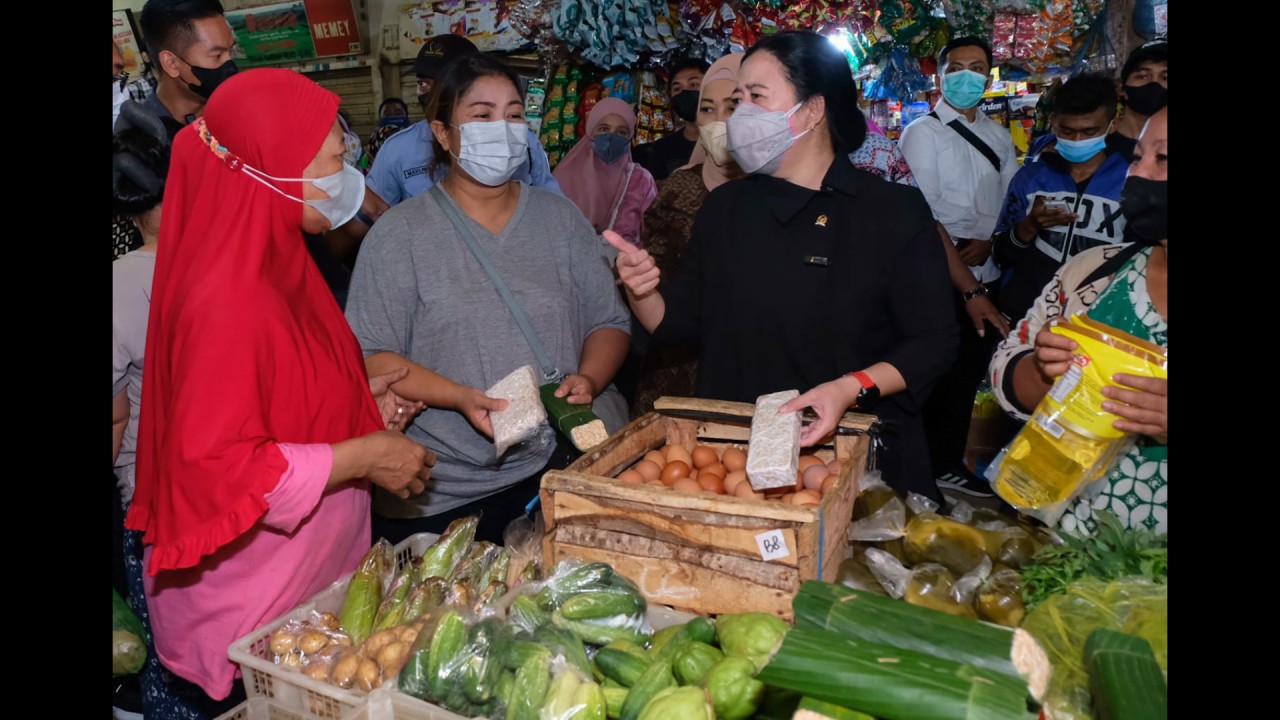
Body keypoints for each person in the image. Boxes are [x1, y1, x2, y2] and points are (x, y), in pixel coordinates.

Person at [124, 68, 434, 716]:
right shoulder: (227, 298)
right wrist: (364, 457)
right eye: (330, 161)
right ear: (265, 170)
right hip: (253, 614)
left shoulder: (278, 261)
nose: (346, 175)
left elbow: (277, 398)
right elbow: (223, 463)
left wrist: (360, 409)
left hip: (309, 589)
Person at [611, 31, 958, 503]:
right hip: (737, 454)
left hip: (849, 454)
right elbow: (677, 327)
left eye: (756, 97)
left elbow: (934, 341)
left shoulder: (889, 211)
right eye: (739, 100)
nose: (740, 115)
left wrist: (847, 389)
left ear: (812, 110)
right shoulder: (726, 207)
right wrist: (642, 289)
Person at [345, 54, 632, 546]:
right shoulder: (399, 235)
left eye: (515, 114)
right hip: (443, 488)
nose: (502, 128)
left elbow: (608, 319)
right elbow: (371, 355)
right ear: (442, 132)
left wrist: (591, 378)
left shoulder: (559, 220)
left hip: (556, 467)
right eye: (481, 115)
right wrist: (458, 397)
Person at [989, 107, 1167, 535]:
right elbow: (1005, 369)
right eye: (1138, 156)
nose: (1135, 174)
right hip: (1063, 552)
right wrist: (1043, 371)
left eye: (1163, 159)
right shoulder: (1093, 272)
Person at [898, 36, 1018, 499]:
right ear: (940, 75)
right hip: (936, 274)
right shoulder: (922, 133)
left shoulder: (999, 135)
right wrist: (963, 247)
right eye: (957, 66)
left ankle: (946, 462)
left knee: (966, 374)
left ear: (988, 75)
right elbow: (922, 210)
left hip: (985, 272)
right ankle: (915, 467)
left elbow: (1010, 198)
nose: (967, 75)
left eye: (977, 67)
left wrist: (988, 241)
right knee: (930, 371)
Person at [627, 52, 745, 417]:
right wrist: (638, 282)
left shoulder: (783, 192)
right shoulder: (679, 189)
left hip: (756, 367)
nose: (719, 122)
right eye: (707, 110)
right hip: (680, 366)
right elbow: (658, 289)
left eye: (734, 106)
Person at [111, 105, 169, 720]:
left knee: (168, 651)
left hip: (153, 501)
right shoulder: (234, 268)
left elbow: (115, 418)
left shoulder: (119, 284)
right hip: (249, 486)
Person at [991, 73, 1131, 329]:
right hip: (1029, 317)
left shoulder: (1132, 180)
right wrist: (1028, 227)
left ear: (1113, 125)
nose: (1077, 140)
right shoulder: (1030, 178)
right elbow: (1000, 253)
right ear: (1053, 122)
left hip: (1102, 323)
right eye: (1067, 131)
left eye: (1089, 131)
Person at [365, 34, 562, 209]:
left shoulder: (520, 140)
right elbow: (373, 215)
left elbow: (553, 209)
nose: (430, 94)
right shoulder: (397, 149)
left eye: (443, 81)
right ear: (441, 133)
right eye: (423, 83)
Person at [1027, 39, 1167, 164]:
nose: (1154, 84)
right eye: (1142, 76)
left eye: (1166, 77)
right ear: (1121, 88)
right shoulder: (1085, 147)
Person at [114, 0, 237, 140]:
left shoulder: (241, 111)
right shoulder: (146, 141)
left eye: (231, 51)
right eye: (217, 55)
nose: (230, 65)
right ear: (171, 63)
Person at [553, 97, 658, 249]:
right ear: (590, 132)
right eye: (603, 129)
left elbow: (653, 234)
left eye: (621, 132)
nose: (611, 137)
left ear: (630, 137)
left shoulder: (641, 180)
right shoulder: (564, 177)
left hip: (626, 268)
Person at [631, 57, 708, 181]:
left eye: (693, 84)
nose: (685, 92)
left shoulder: (727, 142)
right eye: (677, 89)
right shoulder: (661, 150)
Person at [366, 97, 412, 161]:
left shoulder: (415, 138)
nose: (393, 117)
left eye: (398, 113)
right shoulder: (375, 139)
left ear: (406, 116)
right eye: (387, 115)